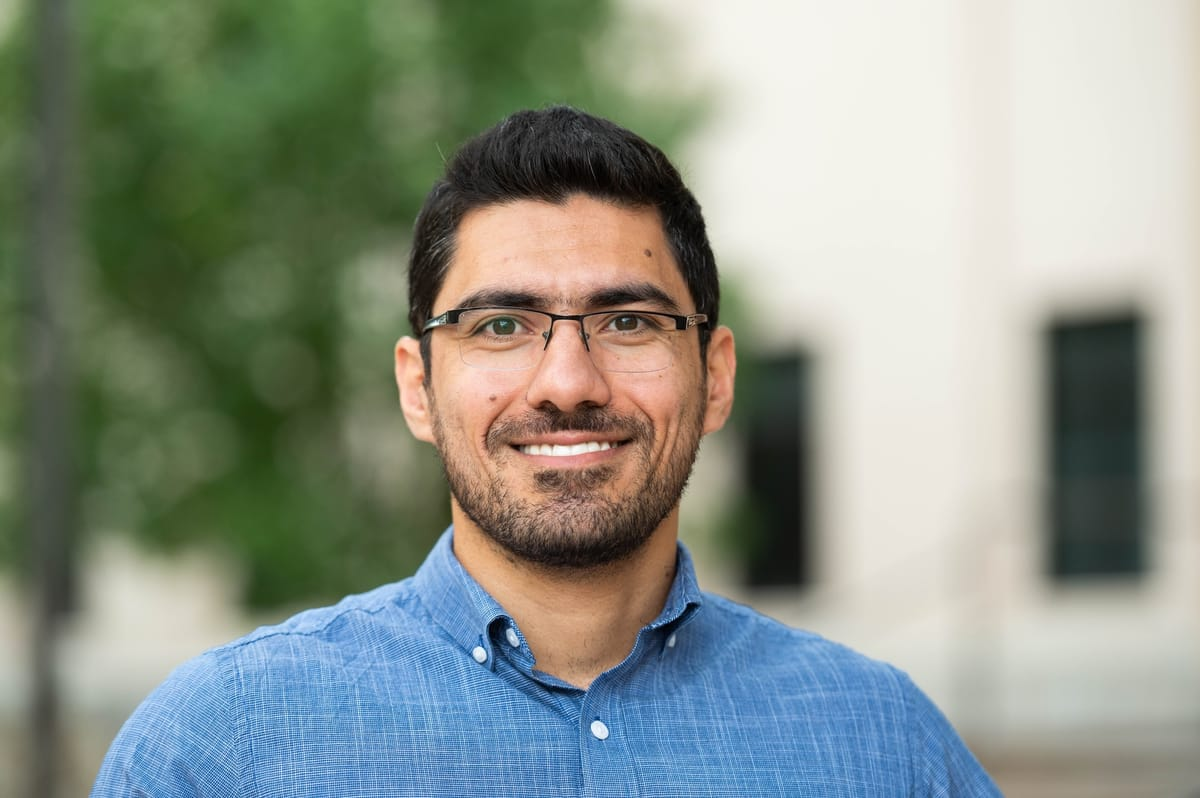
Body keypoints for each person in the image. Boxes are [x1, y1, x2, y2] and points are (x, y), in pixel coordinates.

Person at [92, 106, 1001, 796]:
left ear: (715, 376)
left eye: (630, 320)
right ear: (418, 386)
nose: (567, 380)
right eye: (500, 324)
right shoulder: (222, 751)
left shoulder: (882, 748)